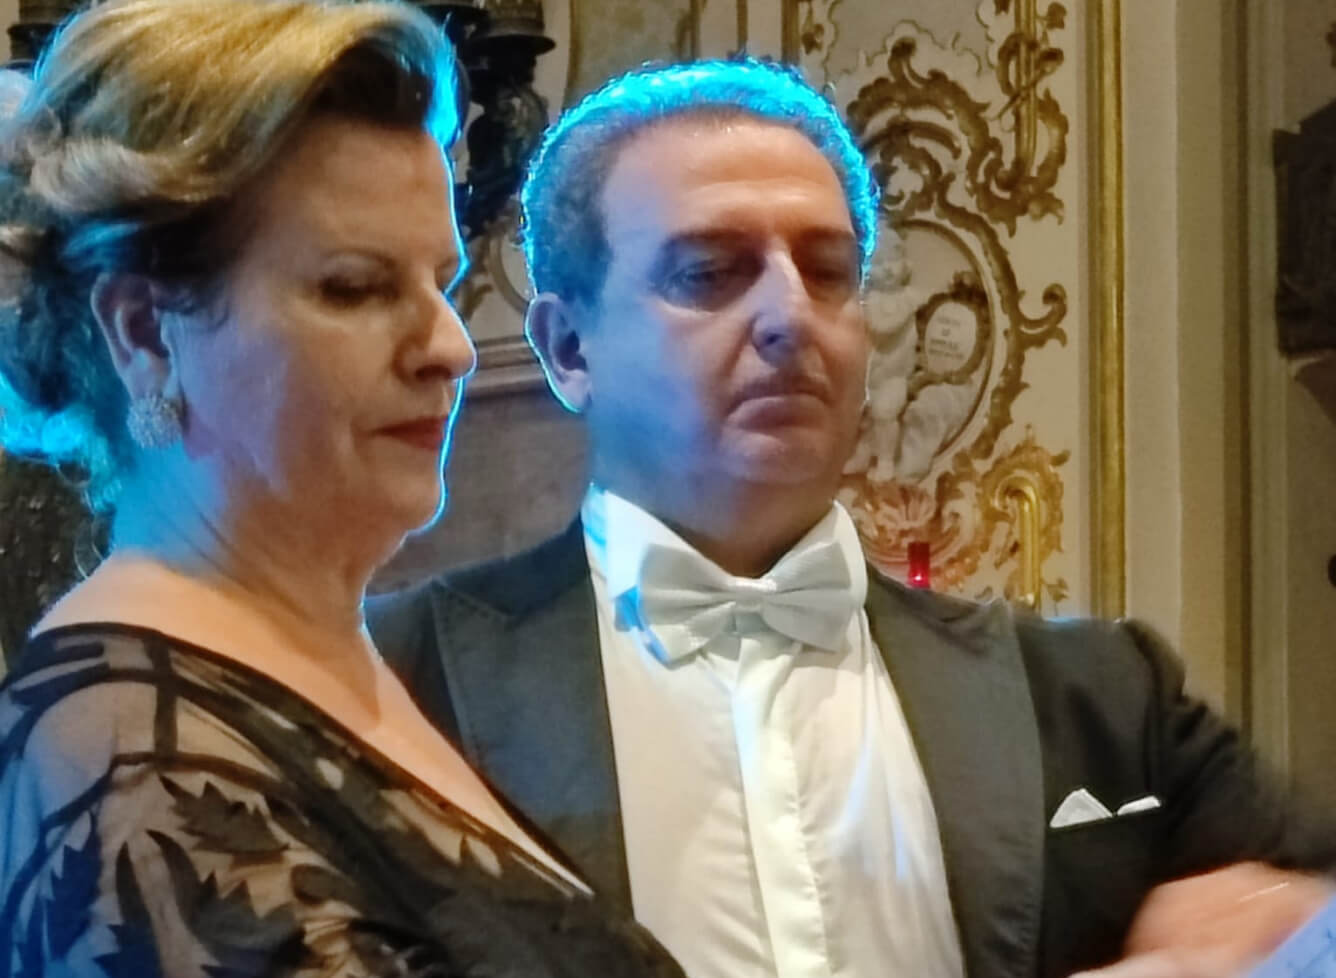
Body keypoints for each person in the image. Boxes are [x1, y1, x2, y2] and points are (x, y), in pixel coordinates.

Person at [368, 57, 1336, 978]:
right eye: (710, 273)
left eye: (828, 271)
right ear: (568, 348)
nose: (791, 315)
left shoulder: (1102, 695)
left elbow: (1306, 913)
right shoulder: (394, 683)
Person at [0, 2, 687, 975]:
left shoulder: (312, 659)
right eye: (356, 287)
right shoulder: (136, 772)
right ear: (146, 333)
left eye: (441, 283)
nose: (451, 347)